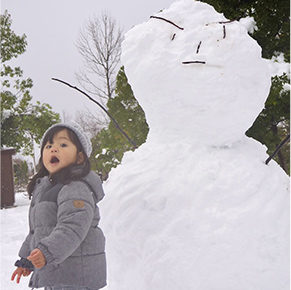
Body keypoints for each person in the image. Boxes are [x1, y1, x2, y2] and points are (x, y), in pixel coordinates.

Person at [11, 122, 107, 290]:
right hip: (56, 271)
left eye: (63, 144)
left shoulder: (76, 187)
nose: (54, 149)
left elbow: (72, 227)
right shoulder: (48, 189)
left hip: (76, 276)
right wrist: (28, 259)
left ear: (79, 157)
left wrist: (46, 252)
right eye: (48, 146)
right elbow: (39, 230)